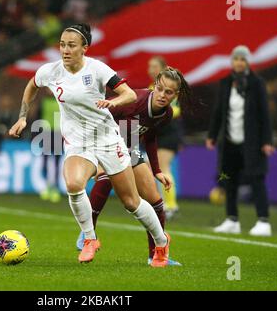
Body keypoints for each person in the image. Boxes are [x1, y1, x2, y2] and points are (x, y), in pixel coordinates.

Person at [9, 23, 170, 267]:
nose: (65, 50)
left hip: (107, 139)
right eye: (62, 44)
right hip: (77, 142)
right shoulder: (50, 71)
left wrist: (112, 103)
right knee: (73, 184)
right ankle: (90, 239)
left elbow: (128, 94)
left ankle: (161, 242)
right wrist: (22, 115)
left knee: (131, 202)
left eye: (71, 45)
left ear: (85, 48)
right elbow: (32, 85)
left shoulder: (97, 69)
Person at [77, 67, 193, 266]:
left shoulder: (167, 114)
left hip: (128, 145)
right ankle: (87, 234)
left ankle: (156, 255)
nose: (163, 95)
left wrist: (157, 170)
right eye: (160, 89)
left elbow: (150, 136)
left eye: (169, 92)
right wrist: (98, 157)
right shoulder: (134, 102)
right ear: (154, 86)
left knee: (156, 201)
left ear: (176, 95)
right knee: (107, 178)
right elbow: (97, 116)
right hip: (104, 140)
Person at [206, 45, 275, 236]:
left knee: (256, 179)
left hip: (252, 142)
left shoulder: (257, 83)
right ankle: (232, 219)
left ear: (248, 62)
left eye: (242, 59)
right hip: (229, 141)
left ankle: (263, 221)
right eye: (236, 58)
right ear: (231, 61)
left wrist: (267, 140)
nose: (239, 62)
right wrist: (212, 135)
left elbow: (265, 115)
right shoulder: (226, 82)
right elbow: (218, 112)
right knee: (229, 180)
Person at [148, 56, 183, 220]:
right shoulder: (151, 88)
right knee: (154, 168)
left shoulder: (171, 89)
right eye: (150, 66)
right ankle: (164, 203)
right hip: (157, 135)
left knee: (163, 168)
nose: (151, 69)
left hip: (169, 133)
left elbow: (176, 111)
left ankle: (170, 205)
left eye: (155, 66)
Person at [36, 94, 62, 203]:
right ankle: (46, 185)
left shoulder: (61, 101)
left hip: (57, 133)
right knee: (45, 161)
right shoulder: (43, 102)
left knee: (56, 163)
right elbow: (38, 118)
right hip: (46, 133)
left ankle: (55, 188)